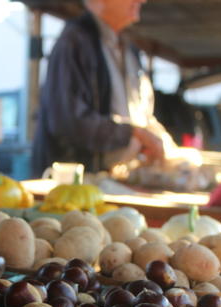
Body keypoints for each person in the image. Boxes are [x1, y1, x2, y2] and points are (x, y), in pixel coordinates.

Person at [32, 0, 174, 177]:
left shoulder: (127, 48)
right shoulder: (75, 42)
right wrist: (133, 133)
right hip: (74, 184)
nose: (141, 1)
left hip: (115, 177)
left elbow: (144, 115)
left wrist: (157, 140)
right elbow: (70, 122)